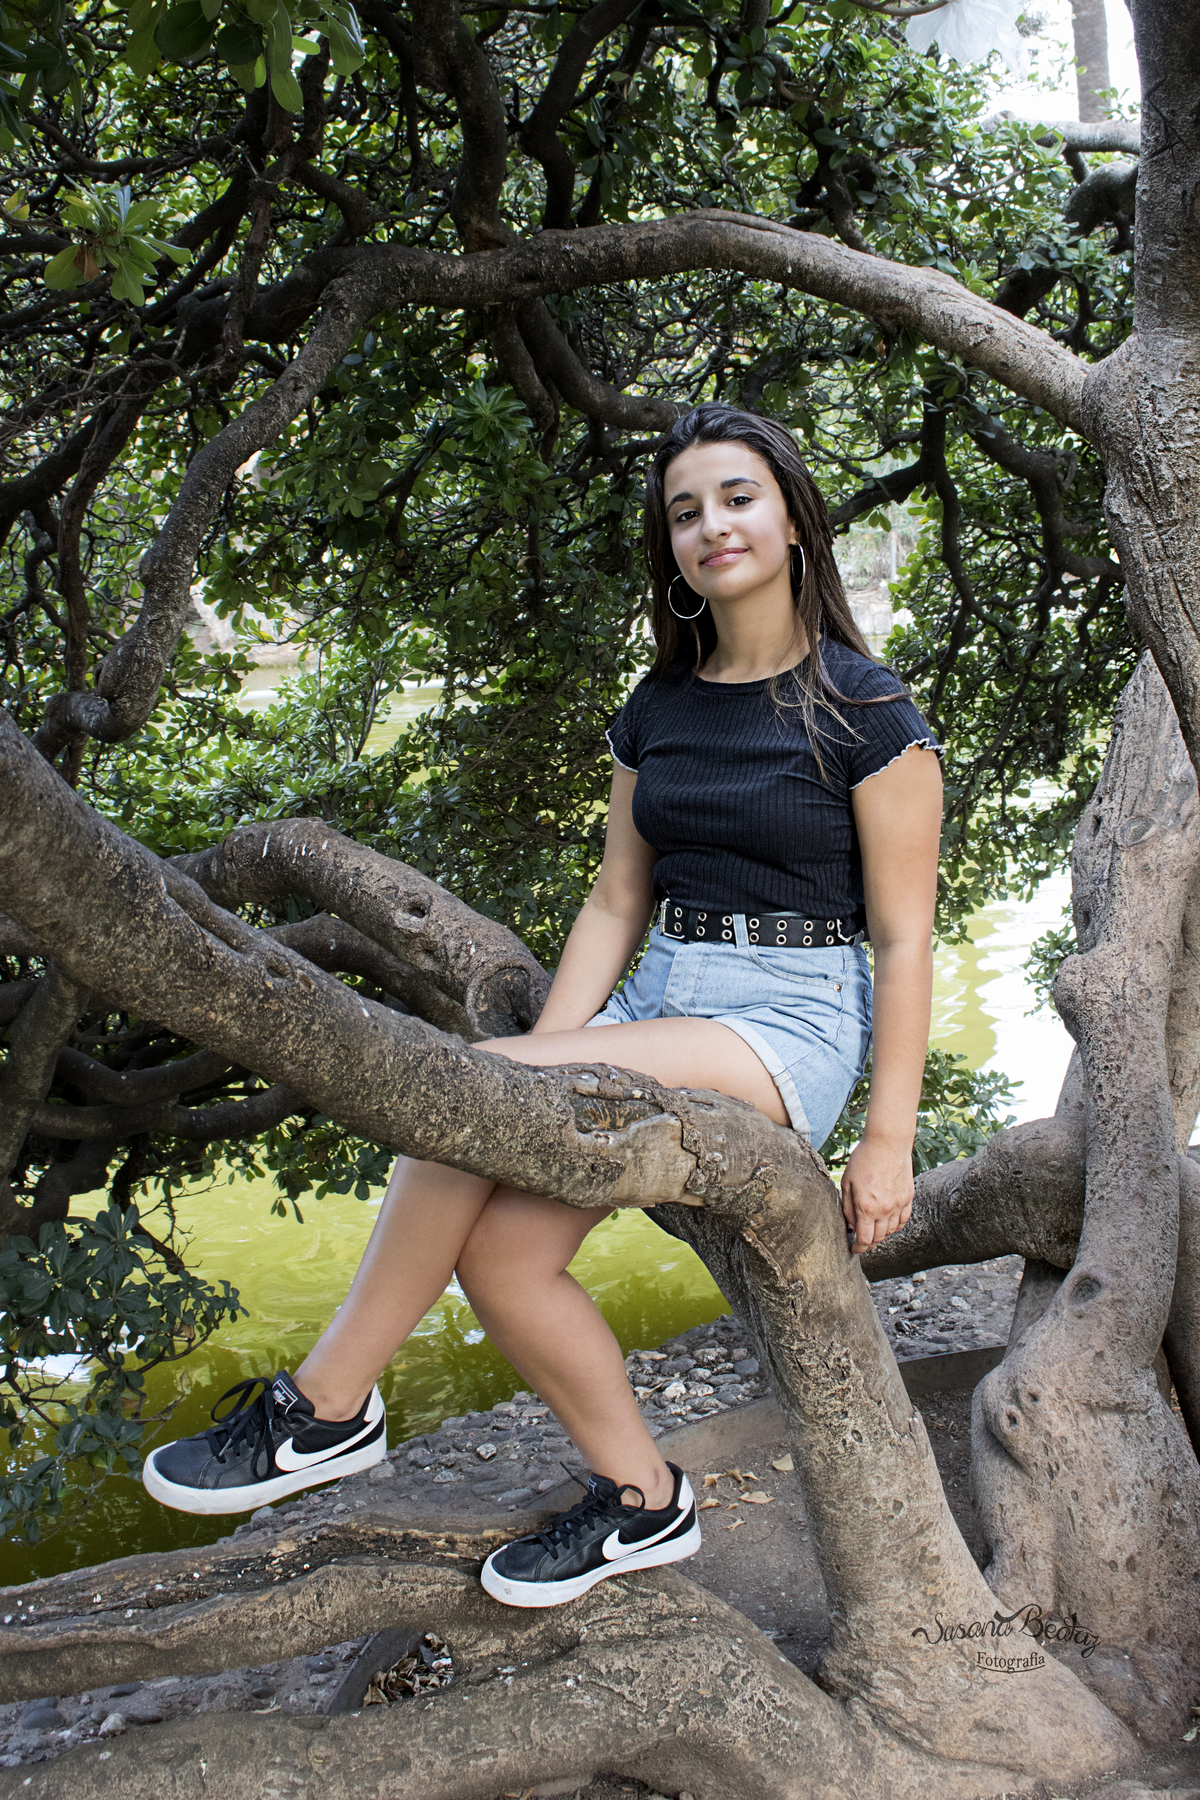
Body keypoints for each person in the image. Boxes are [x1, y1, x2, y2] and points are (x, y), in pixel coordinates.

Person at [143, 402, 943, 1610]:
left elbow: (904, 935)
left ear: (791, 517)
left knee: (474, 1091)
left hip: (790, 1019)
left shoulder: (870, 714)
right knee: (505, 1260)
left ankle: (325, 1408)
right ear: (668, 547)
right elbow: (617, 902)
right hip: (660, 984)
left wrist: (889, 1142)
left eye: (735, 497)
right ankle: (642, 1498)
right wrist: (545, 1048)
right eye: (685, 511)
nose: (711, 525)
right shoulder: (658, 710)